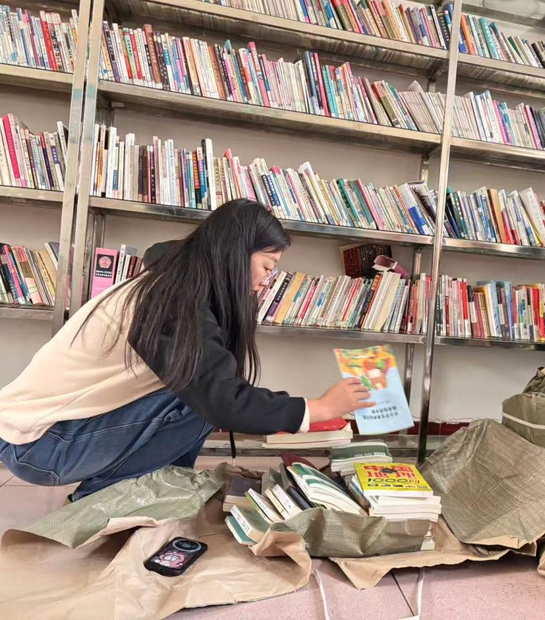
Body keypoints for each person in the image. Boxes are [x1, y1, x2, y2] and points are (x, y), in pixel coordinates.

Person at [0, 199, 373, 501]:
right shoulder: (169, 299)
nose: (265, 281)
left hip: (49, 436)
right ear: (234, 255)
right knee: (197, 399)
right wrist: (319, 408)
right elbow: (222, 399)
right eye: (266, 266)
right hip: (38, 446)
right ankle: (103, 501)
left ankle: (164, 490)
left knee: (197, 391)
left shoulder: (176, 284)